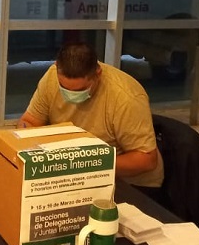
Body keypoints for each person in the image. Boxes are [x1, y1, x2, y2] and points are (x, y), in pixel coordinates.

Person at [18, 41, 164, 193]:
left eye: (80, 90)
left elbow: (147, 160)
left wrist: (87, 165)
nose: (71, 95)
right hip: (74, 175)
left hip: (128, 182)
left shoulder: (126, 98)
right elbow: (29, 121)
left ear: (98, 73)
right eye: (64, 88)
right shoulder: (51, 77)